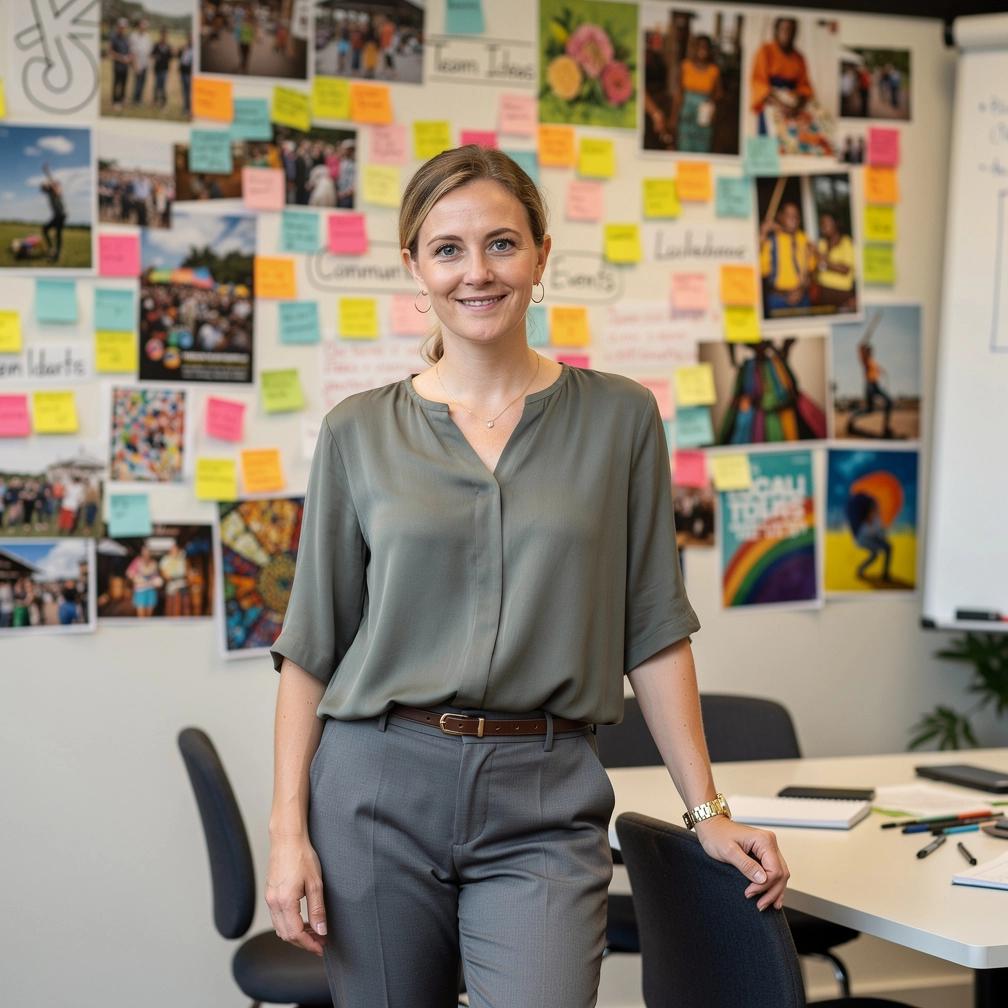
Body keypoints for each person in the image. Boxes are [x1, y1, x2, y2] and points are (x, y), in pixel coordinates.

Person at [265, 145, 788, 1008]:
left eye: (502, 244)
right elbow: (311, 646)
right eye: (449, 249)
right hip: (376, 787)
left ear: (541, 257)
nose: (477, 272)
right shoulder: (358, 430)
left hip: (544, 793)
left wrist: (707, 811)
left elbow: (653, 627)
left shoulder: (621, 417)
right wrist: (288, 830)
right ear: (415, 267)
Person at [750, 18, 813, 135]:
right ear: (776, 30)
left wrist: (796, 107)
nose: (787, 34)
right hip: (771, 106)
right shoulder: (765, 51)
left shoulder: (799, 58)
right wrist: (781, 106)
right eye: (784, 29)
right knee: (769, 141)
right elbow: (759, 84)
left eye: (791, 30)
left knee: (792, 141)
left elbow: (805, 87)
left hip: (793, 110)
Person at [759, 200, 812, 314]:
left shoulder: (804, 239)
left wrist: (800, 291)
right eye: (788, 215)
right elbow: (761, 270)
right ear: (780, 217)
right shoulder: (771, 240)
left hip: (802, 297)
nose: (793, 219)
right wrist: (762, 233)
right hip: (778, 299)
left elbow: (810, 270)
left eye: (796, 216)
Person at [672, 34, 722, 153]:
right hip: (686, 114)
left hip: (704, 114)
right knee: (684, 147)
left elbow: (718, 93)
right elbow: (679, 93)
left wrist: (712, 107)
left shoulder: (714, 70)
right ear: (694, 48)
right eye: (699, 46)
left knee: (702, 147)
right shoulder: (686, 66)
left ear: (709, 50)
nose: (702, 49)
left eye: (705, 46)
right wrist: (673, 116)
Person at [848, 333, 894, 438]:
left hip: (876, 385)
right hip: (870, 386)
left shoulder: (872, 361)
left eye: (871, 350)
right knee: (870, 409)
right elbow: (859, 348)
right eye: (869, 350)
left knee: (888, 403)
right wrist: (863, 343)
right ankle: (852, 417)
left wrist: (881, 370)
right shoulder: (865, 360)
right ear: (866, 352)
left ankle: (886, 428)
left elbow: (876, 368)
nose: (871, 352)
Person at [814, 212, 856, 310]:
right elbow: (817, 267)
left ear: (836, 224)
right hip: (823, 292)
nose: (824, 226)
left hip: (842, 294)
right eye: (822, 224)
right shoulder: (821, 244)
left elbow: (845, 269)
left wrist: (825, 262)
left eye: (827, 223)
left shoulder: (846, 242)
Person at [40, 164, 67, 263]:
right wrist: (46, 172)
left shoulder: (57, 192)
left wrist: (47, 171)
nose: (44, 188)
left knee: (58, 234)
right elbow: (49, 184)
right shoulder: (50, 193)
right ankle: (52, 248)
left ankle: (56, 255)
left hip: (61, 215)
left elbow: (52, 182)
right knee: (45, 229)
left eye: (45, 187)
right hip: (57, 216)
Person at [126, 544, 161, 617]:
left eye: (148, 552)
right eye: (144, 552)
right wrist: (136, 578)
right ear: (142, 552)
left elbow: (156, 576)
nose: (146, 554)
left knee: (149, 615)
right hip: (140, 591)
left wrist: (157, 581)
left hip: (151, 590)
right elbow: (129, 573)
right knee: (141, 615)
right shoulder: (137, 561)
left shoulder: (154, 563)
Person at [159, 542, 190, 617]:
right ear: (170, 550)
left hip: (182, 582)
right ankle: (171, 618)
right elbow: (162, 571)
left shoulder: (182, 558)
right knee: (172, 602)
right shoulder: (165, 559)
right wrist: (166, 577)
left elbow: (187, 570)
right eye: (173, 549)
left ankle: (185, 619)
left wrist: (187, 576)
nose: (175, 551)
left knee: (185, 603)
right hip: (171, 582)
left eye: (176, 549)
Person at [108, 18, 132, 111]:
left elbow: (129, 50)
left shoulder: (126, 38)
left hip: (125, 66)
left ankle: (122, 100)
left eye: (124, 27)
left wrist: (129, 57)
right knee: (116, 84)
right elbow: (110, 52)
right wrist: (121, 58)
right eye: (121, 27)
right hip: (118, 66)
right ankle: (115, 101)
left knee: (124, 84)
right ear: (118, 27)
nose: (122, 29)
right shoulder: (114, 38)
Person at [130, 19, 153, 105]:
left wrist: (149, 63)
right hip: (137, 63)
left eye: (145, 25)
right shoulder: (134, 36)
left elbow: (149, 51)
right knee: (137, 83)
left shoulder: (147, 36)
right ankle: (135, 100)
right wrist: (135, 65)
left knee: (143, 82)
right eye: (142, 25)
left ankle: (139, 99)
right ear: (139, 26)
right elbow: (133, 52)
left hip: (145, 64)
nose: (144, 27)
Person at [151, 29, 173, 109]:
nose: (164, 37)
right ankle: (155, 101)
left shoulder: (168, 46)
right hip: (157, 69)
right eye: (162, 35)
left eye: (165, 35)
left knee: (163, 86)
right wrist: (155, 56)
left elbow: (171, 57)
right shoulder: (156, 45)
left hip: (165, 69)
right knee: (156, 86)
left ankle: (163, 102)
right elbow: (152, 54)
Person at [178, 35, 193, 116]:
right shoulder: (185, 48)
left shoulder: (195, 49)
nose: (189, 40)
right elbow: (181, 58)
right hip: (183, 72)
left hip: (189, 73)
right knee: (184, 92)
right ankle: (185, 108)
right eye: (188, 39)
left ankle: (189, 108)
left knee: (189, 92)